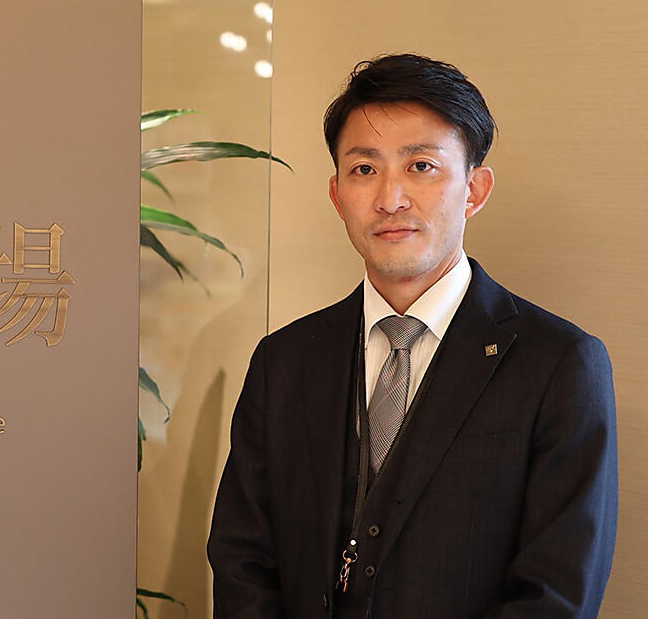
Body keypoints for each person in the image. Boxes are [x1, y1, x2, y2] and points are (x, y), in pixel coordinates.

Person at [207, 54, 618, 618]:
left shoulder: (560, 364)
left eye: (421, 166)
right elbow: (241, 560)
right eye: (364, 169)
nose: (390, 198)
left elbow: (557, 595)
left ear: (474, 189)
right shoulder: (284, 360)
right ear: (337, 195)